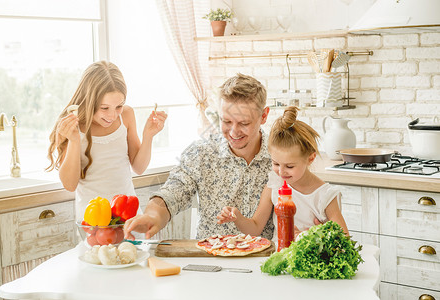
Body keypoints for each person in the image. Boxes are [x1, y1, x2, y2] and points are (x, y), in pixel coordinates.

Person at [123, 73, 274, 240]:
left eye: (244, 123)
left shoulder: (281, 158)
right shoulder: (201, 153)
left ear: (264, 116)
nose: (233, 132)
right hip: (210, 260)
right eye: (226, 121)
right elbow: (172, 192)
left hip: (264, 260)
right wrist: (153, 215)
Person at [46, 61, 167, 221]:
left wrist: (148, 136)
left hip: (129, 216)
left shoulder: (127, 116)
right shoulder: (72, 125)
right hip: (93, 221)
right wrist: (74, 141)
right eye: (104, 108)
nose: (112, 115)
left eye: (119, 106)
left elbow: (139, 167)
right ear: (89, 101)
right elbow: (70, 185)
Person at [217, 106, 349, 242]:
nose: (281, 172)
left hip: (311, 260)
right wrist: (238, 218)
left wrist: (314, 236)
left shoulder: (324, 195)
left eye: (289, 166)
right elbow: (255, 228)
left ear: (310, 158)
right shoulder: (275, 185)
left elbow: (344, 240)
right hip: (278, 257)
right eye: (276, 164)